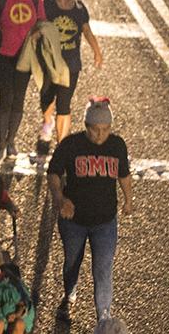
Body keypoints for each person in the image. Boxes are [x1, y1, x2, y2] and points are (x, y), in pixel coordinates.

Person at [46, 98, 131, 319]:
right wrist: (59, 197)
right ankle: (69, 294)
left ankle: (103, 315)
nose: (100, 135)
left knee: (103, 268)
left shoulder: (117, 145)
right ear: (86, 126)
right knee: (72, 262)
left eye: (105, 130)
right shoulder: (71, 145)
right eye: (95, 130)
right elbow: (53, 172)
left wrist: (128, 199)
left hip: (105, 221)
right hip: (73, 220)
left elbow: (123, 174)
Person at [34, 0, 103, 157]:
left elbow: (86, 31)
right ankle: (47, 125)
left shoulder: (79, 9)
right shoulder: (45, 4)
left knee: (64, 104)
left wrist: (96, 51)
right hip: (47, 63)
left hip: (70, 66)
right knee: (47, 99)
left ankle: (62, 145)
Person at [0, 0, 46, 164]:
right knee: (6, 97)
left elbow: (42, 23)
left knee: (18, 98)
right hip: (3, 56)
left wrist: (36, 34)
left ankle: (11, 140)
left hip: (25, 57)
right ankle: (1, 141)